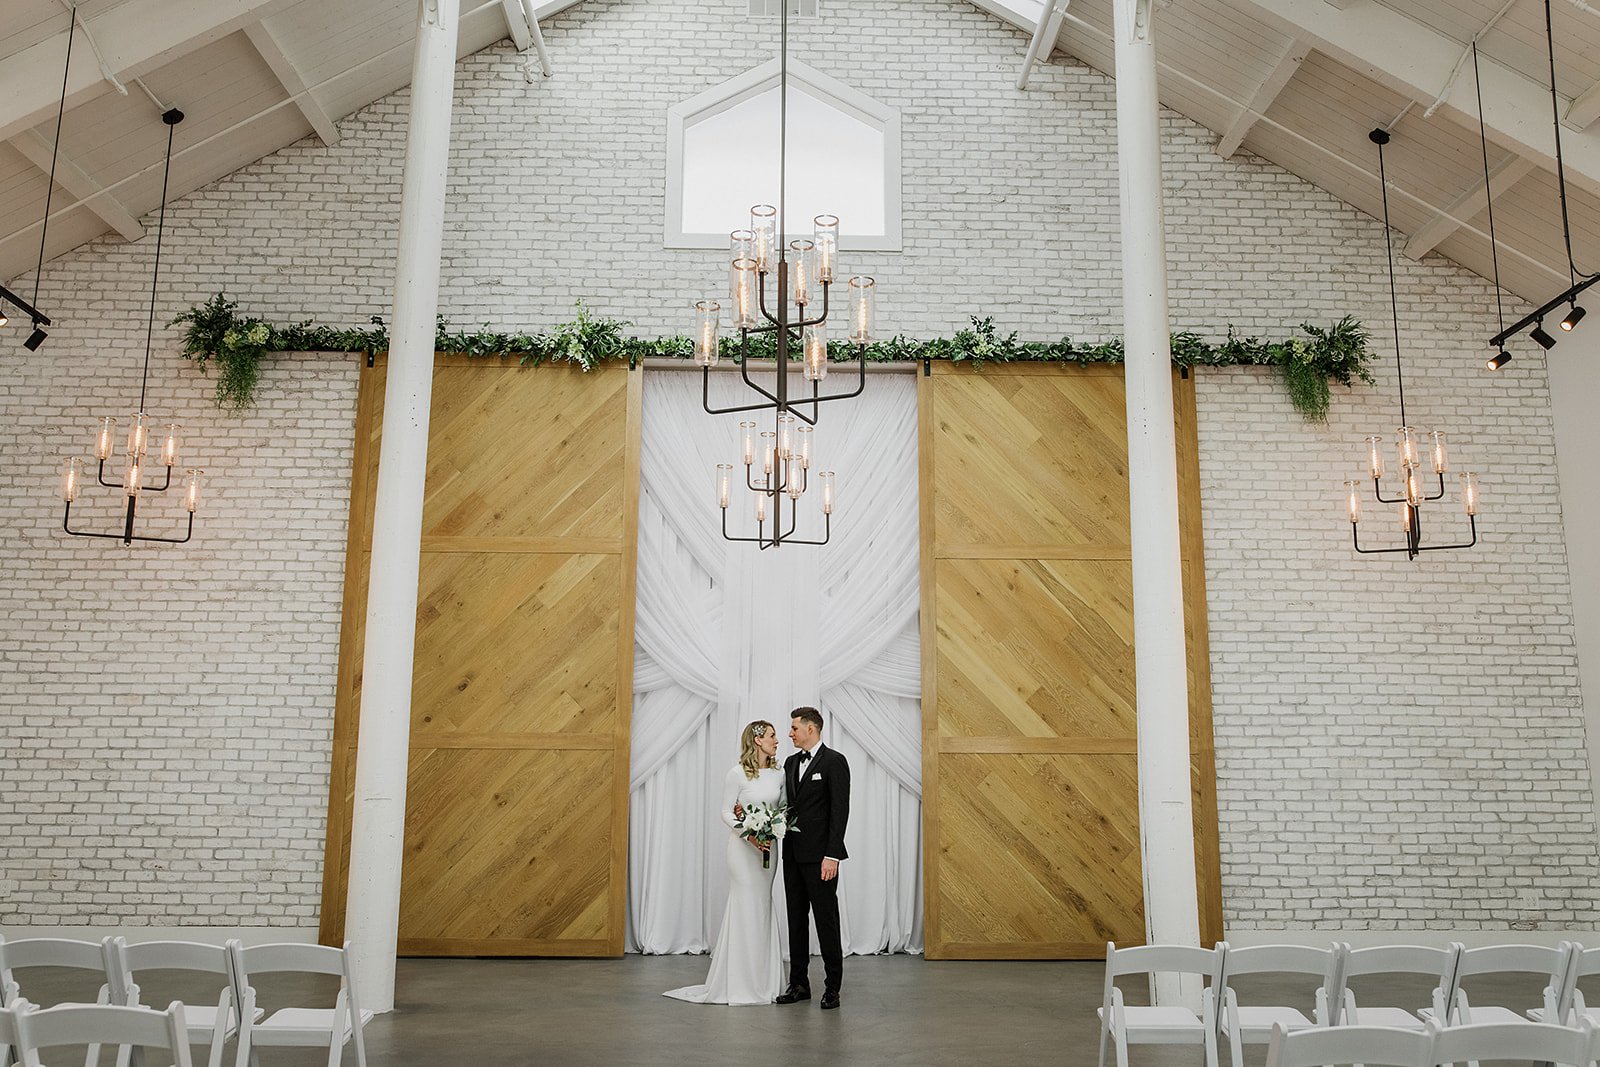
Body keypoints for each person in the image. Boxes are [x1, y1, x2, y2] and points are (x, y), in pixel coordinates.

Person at [663, 721, 784, 1005]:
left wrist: (772, 830)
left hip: (770, 849)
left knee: (763, 907)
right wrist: (749, 833)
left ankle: (765, 981)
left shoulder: (779, 774)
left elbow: (783, 809)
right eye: (772, 736)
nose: (777, 740)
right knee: (744, 907)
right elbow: (725, 812)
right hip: (743, 851)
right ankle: (740, 983)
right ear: (757, 740)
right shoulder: (737, 773)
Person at [777, 705, 849, 1011]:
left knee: (826, 921)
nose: (790, 733)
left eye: (794, 728)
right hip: (792, 855)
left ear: (811, 728)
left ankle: (832, 987)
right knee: (795, 920)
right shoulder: (791, 762)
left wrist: (832, 855)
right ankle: (799, 983)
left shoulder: (835, 762)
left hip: (821, 859)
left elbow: (839, 811)